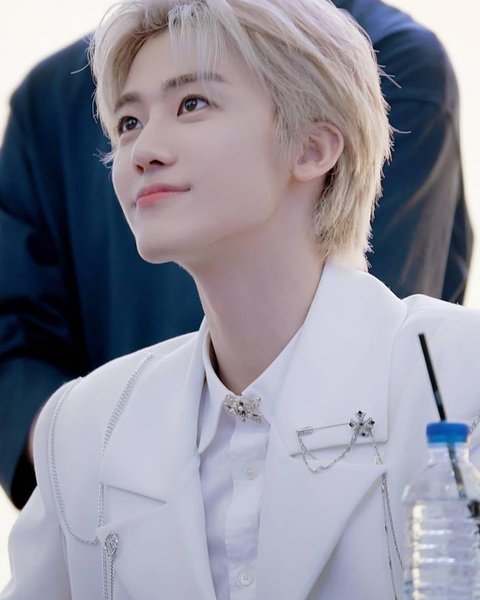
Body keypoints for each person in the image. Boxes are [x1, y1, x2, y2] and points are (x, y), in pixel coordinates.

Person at [1, 1, 479, 598]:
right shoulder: (79, 429)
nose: (143, 150)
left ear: (313, 148)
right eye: (128, 123)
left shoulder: (461, 379)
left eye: (191, 104)